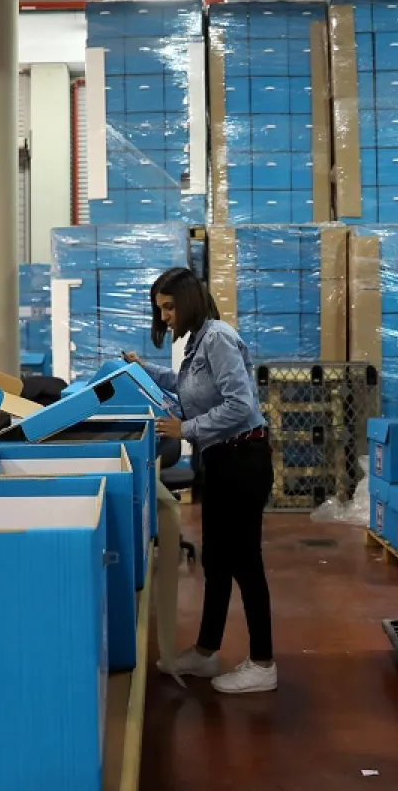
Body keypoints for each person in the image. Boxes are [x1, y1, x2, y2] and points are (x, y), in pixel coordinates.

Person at [122, 266, 277, 694]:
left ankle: (263, 663)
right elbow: (187, 388)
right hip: (222, 460)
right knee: (216, 561)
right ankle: (207, 653)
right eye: (161, 309)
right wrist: (146, 369)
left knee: (244, 560)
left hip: (244, 458)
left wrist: (185, 430)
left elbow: (241, 405)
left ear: (188, 301)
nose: (166, 316)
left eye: (170, 307)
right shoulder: (198, 344)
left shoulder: (219, 338)